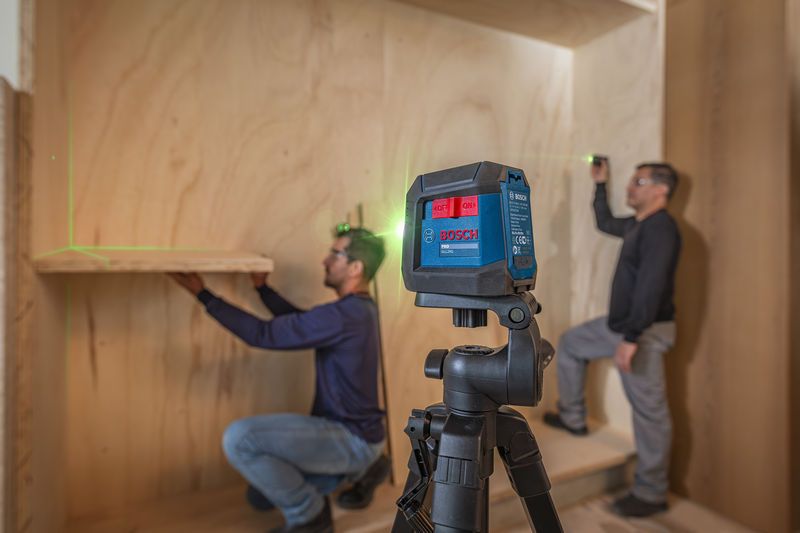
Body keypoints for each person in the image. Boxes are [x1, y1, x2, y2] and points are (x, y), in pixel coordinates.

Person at [169, 226, 390, 533]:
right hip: (355, 435)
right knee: (260, 496)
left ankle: (310, 517)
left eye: (334, 254)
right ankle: (363, 468)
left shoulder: (345, 315)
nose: (325, 261)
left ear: (355, 267)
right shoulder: (358, 310)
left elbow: (264, 334)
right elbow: (300, 323)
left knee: (240, 439)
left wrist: (202, 293)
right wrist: (263, 290)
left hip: (350, 438)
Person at [543, 159, 681, 518]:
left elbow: (652, 286)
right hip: (622, 325)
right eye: (632, 180)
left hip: (643, 332)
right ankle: (573, 418)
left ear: (661, 190)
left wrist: (632, 337)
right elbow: (605, 222)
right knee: (571, 343)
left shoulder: (661, 230)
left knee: (650, 413)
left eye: (639, 181)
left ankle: (652, 493)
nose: (631, 187)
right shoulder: (639, 225)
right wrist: (600, 184)